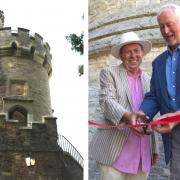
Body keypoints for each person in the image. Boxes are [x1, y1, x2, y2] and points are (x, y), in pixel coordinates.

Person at [89, 31, 159, 180]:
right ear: (121, 56)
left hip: (142, 154)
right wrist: (127, 116)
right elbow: (106, 100)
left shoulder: (150, 80)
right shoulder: (109, 73)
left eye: (136, 51)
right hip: (114, 154)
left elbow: (152, 114)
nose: (133, 55)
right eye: (128, 51)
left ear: (142, 53)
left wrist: (154, 149)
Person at [128, 4, 180, 180]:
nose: (166, 31)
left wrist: (176, 116)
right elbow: (154, 96)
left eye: (170, 24)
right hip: (174, 138)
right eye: (161, 26)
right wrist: (143, 113)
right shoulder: (158, 63)